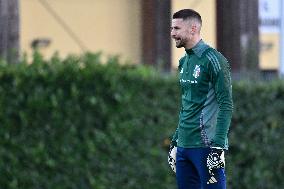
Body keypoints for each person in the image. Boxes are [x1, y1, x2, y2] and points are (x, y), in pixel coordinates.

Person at [168, 9, 233, 189]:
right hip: (183, 148)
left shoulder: (215, 60)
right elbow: (187, 105)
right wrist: (175, 141)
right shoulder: (184, 62)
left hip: (206, 147)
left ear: (193, 29)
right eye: (172, 28)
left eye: (177, 28)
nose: (172, 33)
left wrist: (218, 146)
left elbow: (226, 105)